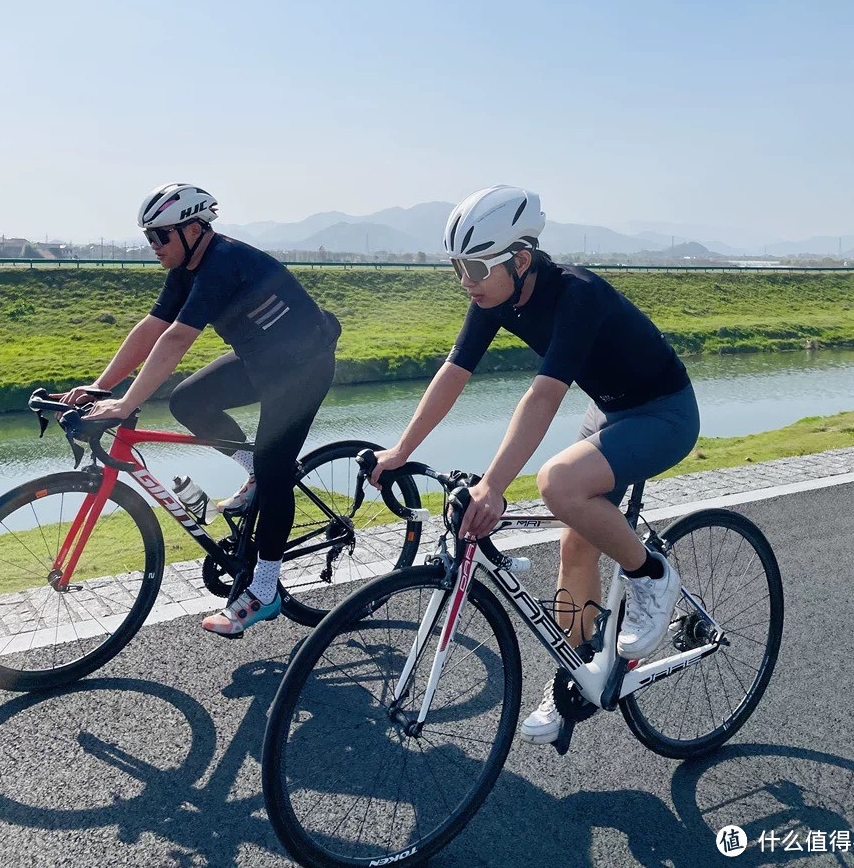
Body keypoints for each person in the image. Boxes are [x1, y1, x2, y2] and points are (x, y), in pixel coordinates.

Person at [371, 185, 700, 745]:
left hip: (664, 413)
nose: (465, 280)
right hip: (611, 411)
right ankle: (576, 675)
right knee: (576, 544)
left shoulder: (577, 294)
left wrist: (493, 486)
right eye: (457, 267)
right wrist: (401, 450)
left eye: (475, 266)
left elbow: (544, 396)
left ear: (520, 259)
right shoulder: (493, 298)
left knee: (558, 483)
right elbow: (453, 375)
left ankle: (652, 577)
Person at [59, 182, 341, 638]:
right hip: (259, 361)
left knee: (275, 473)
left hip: (302, 368)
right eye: (148, 237)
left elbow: (176, 339)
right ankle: (251, 468)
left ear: (193, 229)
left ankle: (265, 589)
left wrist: (129, 402)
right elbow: (152, 327)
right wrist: (100, 387)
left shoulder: (223, 262)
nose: (154, 246)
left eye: (160, 236)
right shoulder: (186, 267)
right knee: (188, 401)